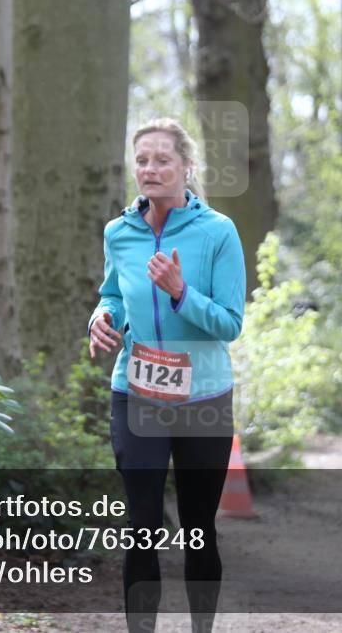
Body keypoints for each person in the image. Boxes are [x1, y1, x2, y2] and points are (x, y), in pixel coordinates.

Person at [88, 118, 245, 633]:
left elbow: (230, 322)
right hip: (135, 394)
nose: (149, 169)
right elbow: (112, 294)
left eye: (161, 159)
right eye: (142, 160)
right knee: (141, 526)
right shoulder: (119, 232)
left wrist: (181, 293)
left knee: (199, 527)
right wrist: (101, 319)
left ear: (186, 167)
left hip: (203, 398)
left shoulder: (217, 231)